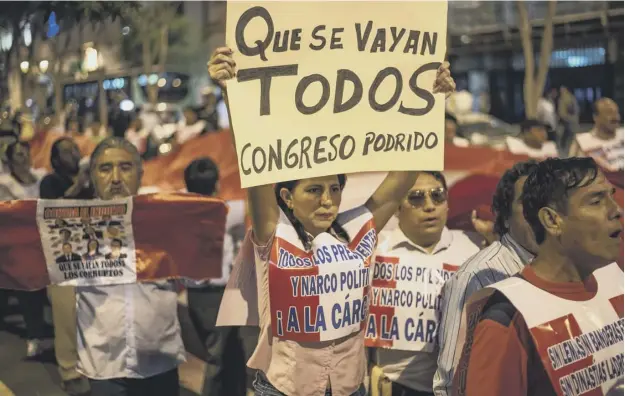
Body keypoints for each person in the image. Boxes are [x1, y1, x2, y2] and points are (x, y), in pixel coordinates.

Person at [209, 47, 456, 396]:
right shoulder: (274, 232)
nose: (327, 199)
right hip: (283, 388)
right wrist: (231, 90)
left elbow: (401, 178)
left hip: (349, 386)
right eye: (313, 190)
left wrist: (434, 102)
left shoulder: (357, 228)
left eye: (334, 188)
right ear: (286, 198)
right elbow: (255, 159)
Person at [457, 157, 623, 396]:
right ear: (552, 220)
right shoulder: (507, 319)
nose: (616, 210)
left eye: (611, 195)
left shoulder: (615, 280)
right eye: (596, 201)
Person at [77, 137, 203, 396]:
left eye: (125, 167)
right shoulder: (73, 228)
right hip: (103, 366)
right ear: (92, 175)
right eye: (105, 168)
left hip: (159, 363)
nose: (115, 178)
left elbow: (195, 279)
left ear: (140, 173)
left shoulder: (165, 222)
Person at [433, 160, 539, 396]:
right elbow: (450, 381)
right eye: (527, 201)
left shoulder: (573, 267)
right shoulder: (475, 277)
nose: (538, 210)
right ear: (505, 215)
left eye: (546, 200)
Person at [369, 172, 481, 396]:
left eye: (437, 196)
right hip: (393, 387)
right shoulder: (375, 250)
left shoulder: (475, 247)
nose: (429, 206)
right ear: (397, 208)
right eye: (416, 198)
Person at [184, 157, 258, 396]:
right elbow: (256, 206)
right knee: (220, 355)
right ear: (216, 184)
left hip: (196, 294)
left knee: (229, 352)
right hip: (219, 293)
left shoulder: (181, 213)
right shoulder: (228, 211)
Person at [40, 137, 94, 396]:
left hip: (92, 257)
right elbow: (51, 212)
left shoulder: (92, 181)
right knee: (66, 316)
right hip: (63, 259)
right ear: (55, 158)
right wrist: (78, 186)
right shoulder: (50, 183)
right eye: (66, 151)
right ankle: (70, 371)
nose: (73, 153)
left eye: (75, 148)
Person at [0, 141, 51, 357]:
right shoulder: (4, 183)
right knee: (27, 287)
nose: (23, 158)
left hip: (45, 241)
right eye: (17, 155)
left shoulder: (42, 176)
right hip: (16, 245)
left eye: (25, 153)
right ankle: (34, 335)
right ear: (9, 161)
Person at [569, 98, 623, 172]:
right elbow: (571, 175)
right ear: (596, 117)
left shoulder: (623, 134)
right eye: (609, 113)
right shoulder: (583, 142)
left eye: (617, 113)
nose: (616, 117)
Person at [557, 86, 579, 153]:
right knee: (567, 133)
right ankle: (564, 147)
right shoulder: (562, 98)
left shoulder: (569, 98)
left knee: (568, 133)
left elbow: (573, 108)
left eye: (562, 90)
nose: (561, 91)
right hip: (566, 119)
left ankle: (567, 147)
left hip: (569, 119)